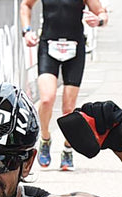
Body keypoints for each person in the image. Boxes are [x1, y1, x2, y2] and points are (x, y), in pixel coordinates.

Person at [20, 0, 108, 170]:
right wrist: (27, 31)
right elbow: (26, 5)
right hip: (48, 46)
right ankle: (45, 138)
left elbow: (102, 13)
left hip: (75, 48)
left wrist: (99, 21)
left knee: (68, 108)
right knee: (47, 99)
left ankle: (68, 148)